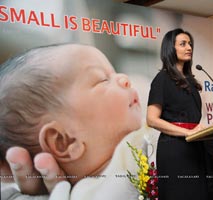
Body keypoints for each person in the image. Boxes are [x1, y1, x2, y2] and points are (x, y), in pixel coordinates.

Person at [0, 43, 144, 199]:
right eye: (102, 80)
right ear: (64, 141)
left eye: (113, 72)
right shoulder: (99, 193)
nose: (124, 79)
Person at [146, 28, 208, 200]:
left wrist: (198, 130)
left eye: (190, 44)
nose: (189, 47)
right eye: (183, 44)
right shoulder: (162, 79)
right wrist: (187, 132)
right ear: (170, 49)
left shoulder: (192, 81)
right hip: (174, 149)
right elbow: (151, 119)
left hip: (195, 148)